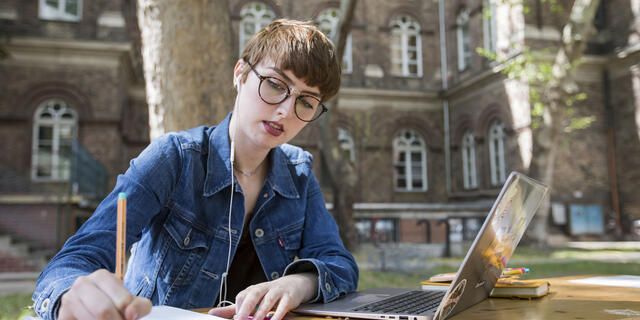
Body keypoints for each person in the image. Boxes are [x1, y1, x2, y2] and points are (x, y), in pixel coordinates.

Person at [32, 19, 359, 320]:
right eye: (275, 84)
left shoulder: (299, 173)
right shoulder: (173, 159)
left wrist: (298, 284)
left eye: (306, 101)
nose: (286, 111)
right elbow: (76, 259)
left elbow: (339, 263)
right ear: (240, 74)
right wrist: (67, 298)